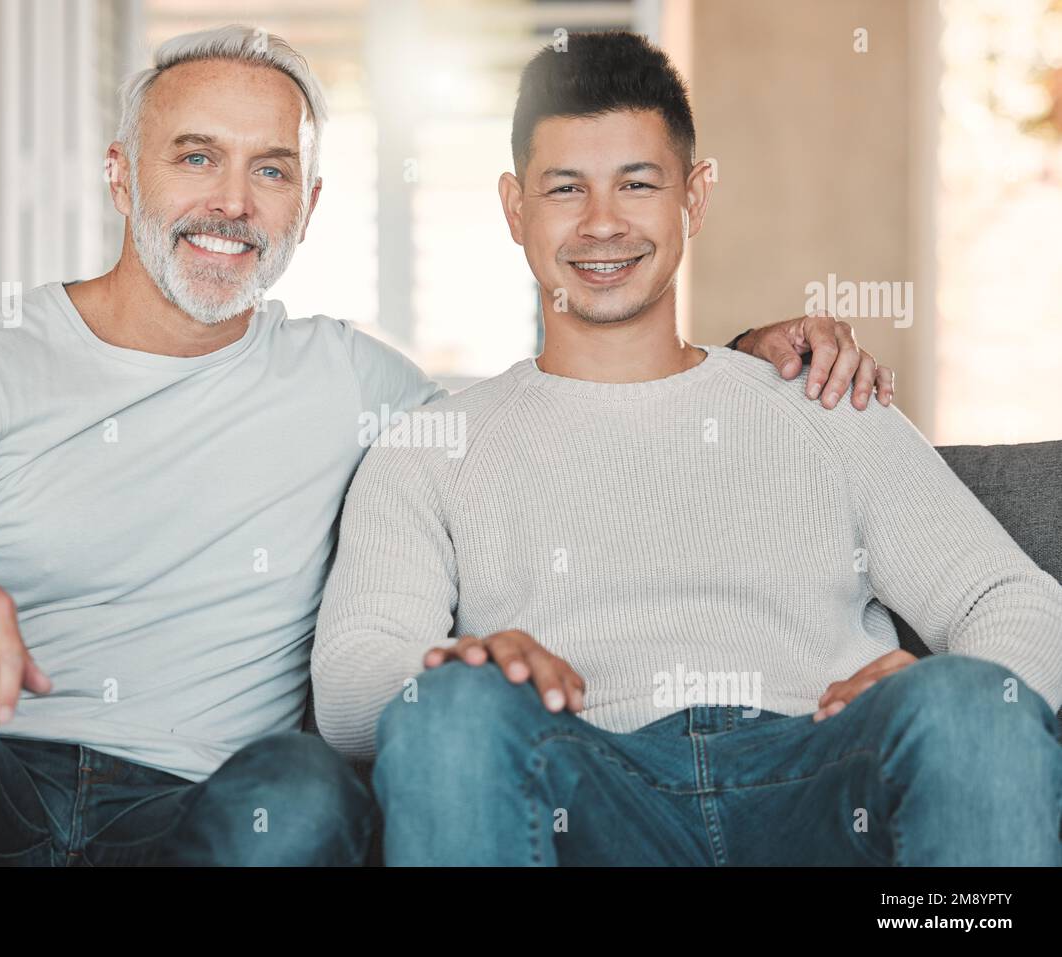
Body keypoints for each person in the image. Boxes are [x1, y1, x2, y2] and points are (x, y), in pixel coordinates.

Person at [0, 25, 889, 866]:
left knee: (305, 787)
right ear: (120, 174)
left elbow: (563, 417)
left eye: (270, 170)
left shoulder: (360, 385)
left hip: (205, 812)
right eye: (195, 157)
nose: (232, 203)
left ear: (307, 205)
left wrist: (748, 364)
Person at [311, 30, 1062, 866]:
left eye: (638, 183)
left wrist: (941, 684)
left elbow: (1017, 601)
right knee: (449, 709)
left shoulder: (823, 400)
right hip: (588, 795)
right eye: (566, 188)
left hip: (821, 779)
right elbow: (349, 689)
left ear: (694, 199)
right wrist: (460, 665)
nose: (602, 223)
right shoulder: (430, 449)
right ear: (515, 207)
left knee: (971, 702)